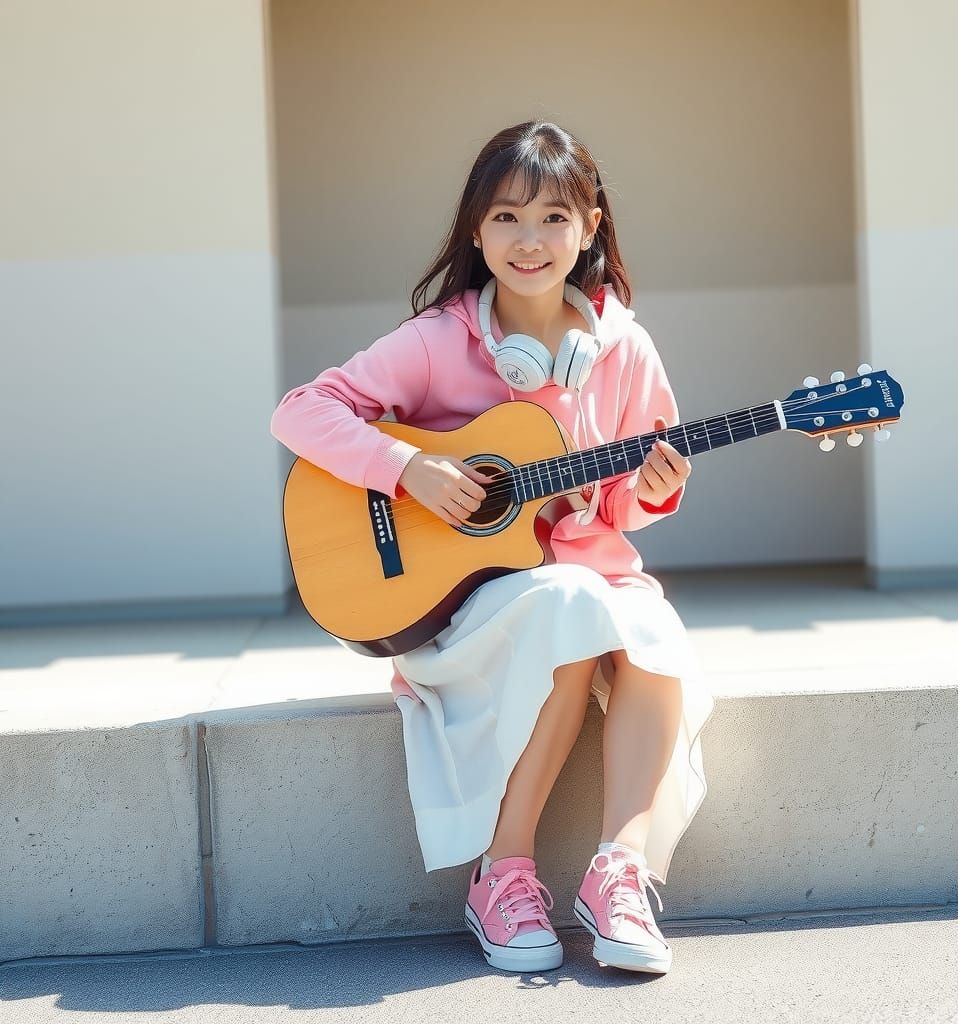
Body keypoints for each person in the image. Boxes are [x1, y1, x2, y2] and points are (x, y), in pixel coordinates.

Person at [269, 119, 716, 976]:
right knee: (574, 603)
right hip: (472, 604)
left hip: (578, 584)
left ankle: (617, 874)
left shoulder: (623, 348)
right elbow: (301, 410)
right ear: (476, 231)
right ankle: (500, 873)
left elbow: (618, 504)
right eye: (507, 217)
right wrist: (408, 469)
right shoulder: (440, 340)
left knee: (643, 620)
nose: (530, 239)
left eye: (554, 217)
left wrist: (649, 490)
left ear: (591, 227)